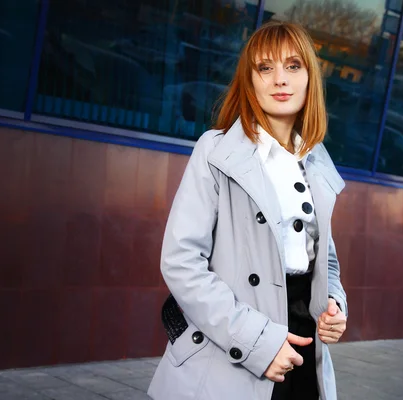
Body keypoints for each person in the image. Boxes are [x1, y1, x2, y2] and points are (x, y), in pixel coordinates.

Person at [148, 21, 348, 400]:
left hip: (305, 348)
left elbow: (326, 259)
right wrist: (258, 343)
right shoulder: (216, 151)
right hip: (235, 343)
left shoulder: (316, 160)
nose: (280, 80)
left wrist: (334, 303)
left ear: (310, 78)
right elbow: (181, 261)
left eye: (293, 66)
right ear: (250, 80)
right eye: (265, 68)